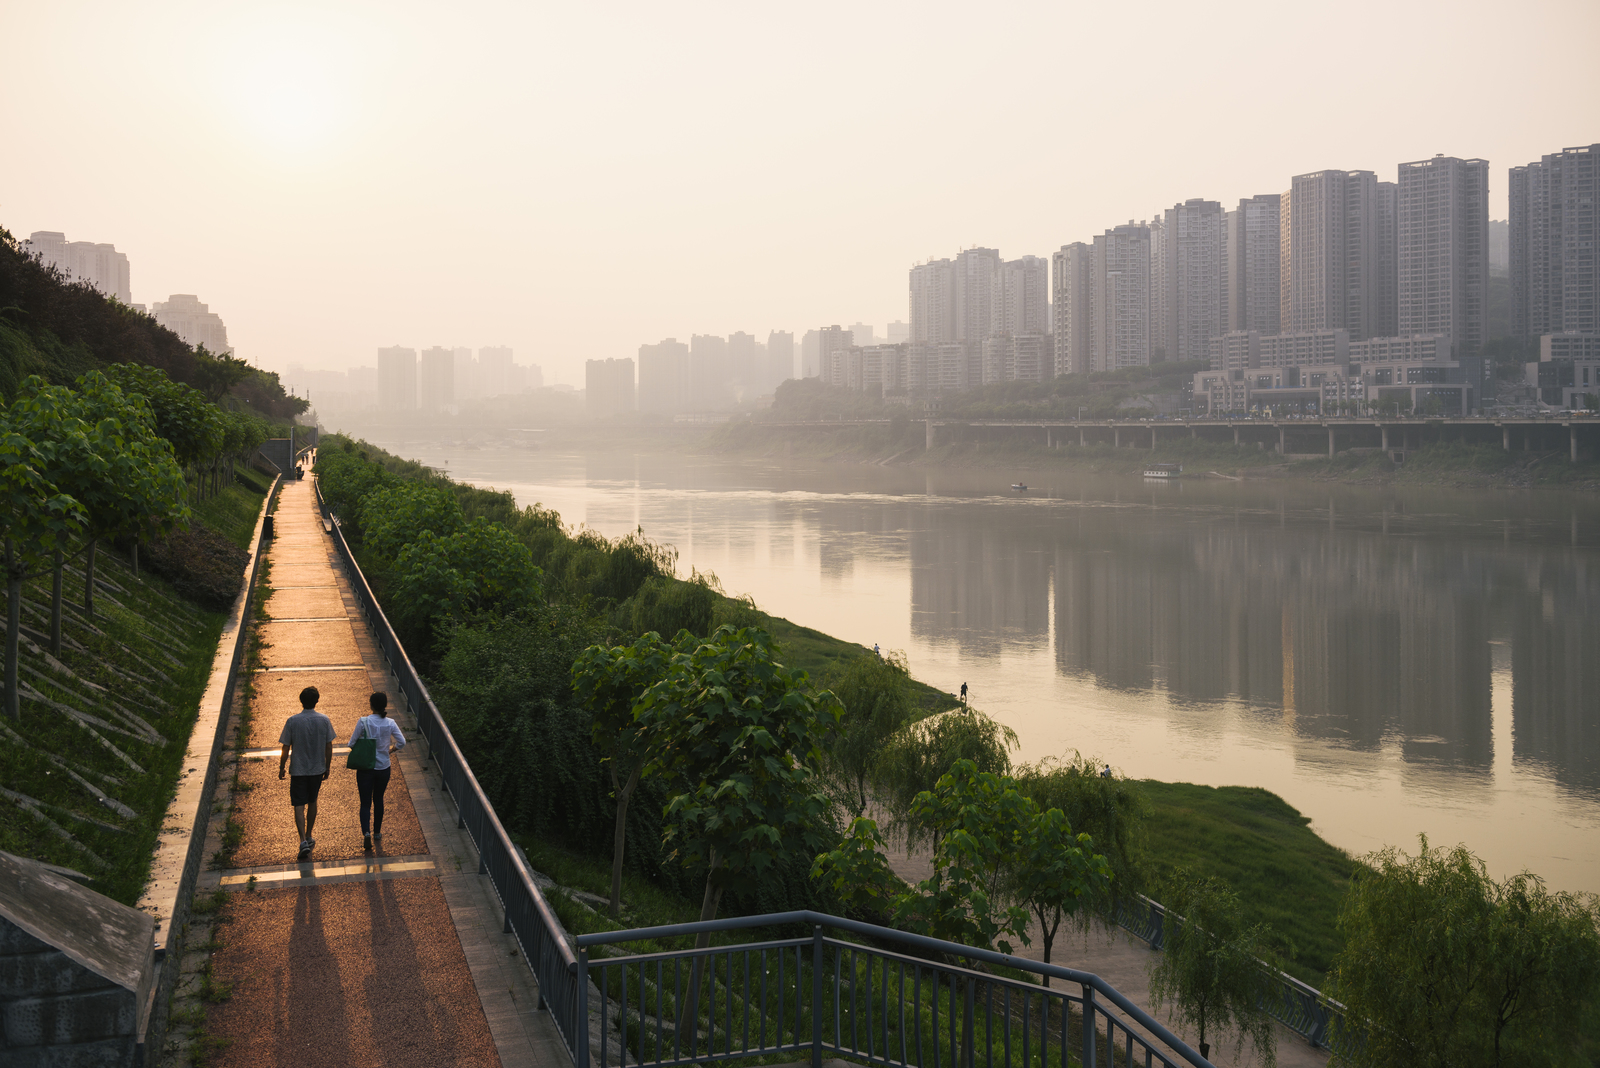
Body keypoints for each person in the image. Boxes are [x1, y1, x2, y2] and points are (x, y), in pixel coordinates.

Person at [279, 686, 335, 862]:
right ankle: (310, 834)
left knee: (298, 804)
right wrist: (327, 766)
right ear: (317, 701)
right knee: (313, 801)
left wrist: (281, 767)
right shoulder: (324, 720)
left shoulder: (292, 721)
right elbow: (329, 745)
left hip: (298, 769)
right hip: (317, 769)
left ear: (301, 701)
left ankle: (302, 840)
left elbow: (286, 747)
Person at [350, 692, 407, 853]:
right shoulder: (390, 723)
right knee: (379, 799)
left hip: (365, 768)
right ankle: (377, 832)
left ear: (371, 705)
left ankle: (366, 832)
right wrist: (391, 749)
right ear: (385, 705)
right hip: (383, 767)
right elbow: (402, 742)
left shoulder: (363, 722)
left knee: (365, 802)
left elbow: (351, 743)